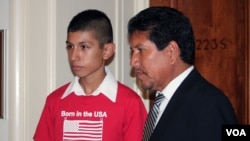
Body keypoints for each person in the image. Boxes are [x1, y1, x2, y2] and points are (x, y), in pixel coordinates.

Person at [33, 9, 147, 141]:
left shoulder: (130, 103)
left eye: (84, 47)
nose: (74, 56)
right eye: (70, 47)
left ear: (106, 51)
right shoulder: (55, 101)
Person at [127, 6, 238, 141]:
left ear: (171, 52)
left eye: (140, 50)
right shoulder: (162, 101)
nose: (133, 62)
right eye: (132, 51)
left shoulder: (210, 105)